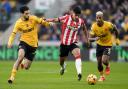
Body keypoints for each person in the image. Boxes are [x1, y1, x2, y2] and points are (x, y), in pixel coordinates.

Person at [7, 6, 50, 84]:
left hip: (33, 45)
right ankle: (12, 77)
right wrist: (10, 42)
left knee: (26, 67)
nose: (28, 15)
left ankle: (24, 62)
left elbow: (42, 22)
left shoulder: (33, 18)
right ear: (22, 14)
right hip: (24, 42)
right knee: (20, 57)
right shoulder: (18, 23)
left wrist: (47, 23)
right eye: (26, 13)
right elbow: (13, 34)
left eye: (29, 13)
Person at [46, 6, 89, 81]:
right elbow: (55, 19)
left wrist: (87, 38)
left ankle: (79, 73)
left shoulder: (80, 21)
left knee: (78, 55)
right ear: (73, 13)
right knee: (61, 62)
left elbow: (84, 28)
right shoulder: (66, 18)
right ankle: (63, 67)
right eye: (76, 15)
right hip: (64, 44)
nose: (77, 17)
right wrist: (46, 20)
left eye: (79, 15)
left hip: (73, 43)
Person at [89, 11, 120, 81]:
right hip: (99, 45)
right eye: (97, 17)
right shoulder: (93, 26)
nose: (98, 19)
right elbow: (89, 39)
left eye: (100, 17)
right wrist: (94, 38)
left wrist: (117, 39)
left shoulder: (108, 25)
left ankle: (108, 65)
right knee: (99, 64)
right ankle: (102, 76)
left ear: (102, 18)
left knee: (104, 61)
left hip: (108, 44)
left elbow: (116, 30)